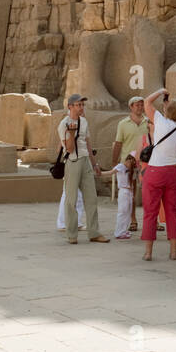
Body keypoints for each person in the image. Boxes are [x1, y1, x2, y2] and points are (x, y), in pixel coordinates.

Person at [140, 88, 176, 262]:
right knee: (173, 212)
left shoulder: (160, 122)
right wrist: (169, 104)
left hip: (155, 170)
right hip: (173, 172)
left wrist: (161, 91)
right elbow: (175, 113)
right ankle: (174, 251)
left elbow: (147, 102)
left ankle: (148, 252)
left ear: (168, 111)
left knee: (150, 213)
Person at [58, 94, 109, 244]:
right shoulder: (64, 124)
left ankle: (94, 232)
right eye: (78, 105)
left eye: (82, 105)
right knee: (71, 199)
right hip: (73, 161)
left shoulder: (84, 122)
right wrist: (72, 134)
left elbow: (88, 144)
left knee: (91, 198)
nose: (81, 107)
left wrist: (95, 165)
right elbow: (69, 149)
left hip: (86, 160)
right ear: (70, 107)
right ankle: (72, 235)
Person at [113, 95, 149, 230]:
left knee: (150, 192)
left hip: (146, 162)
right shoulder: (123, 124)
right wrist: (114, 162)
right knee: (131, 193)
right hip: (129, 162)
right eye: (137, 105)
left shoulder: (149, 122)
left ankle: (153, 220)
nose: (140, 107)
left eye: (141, 104)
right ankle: (133, 219)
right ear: (131, 107)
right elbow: (118, 143)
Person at [111, 154, 138, 239]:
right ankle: (118, 232)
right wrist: (100, 174)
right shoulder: (120, 166)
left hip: (129, 192)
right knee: (122, 212)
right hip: (123, 192)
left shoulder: (131, 170)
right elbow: (111, 172)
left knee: (128, 212)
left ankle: (123, 231)